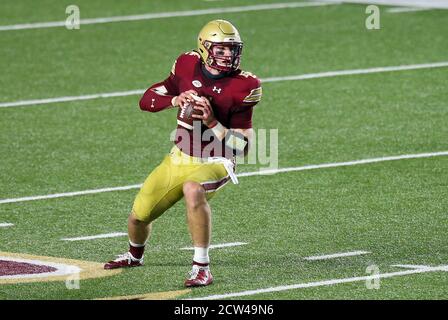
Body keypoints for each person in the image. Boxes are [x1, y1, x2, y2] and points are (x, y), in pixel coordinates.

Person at [104, 19, 262, 287]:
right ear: (204, 48)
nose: (229, 55)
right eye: (221, 49)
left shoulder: (244, 86)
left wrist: (213, 123)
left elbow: (244, 148)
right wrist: (175, 100)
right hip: (180, 155)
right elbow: (147, 99)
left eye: (233, 49)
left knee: (192, 189)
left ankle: (202, 268)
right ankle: (134, 255)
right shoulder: (187, 64)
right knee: (139, 215)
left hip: (217, 159)